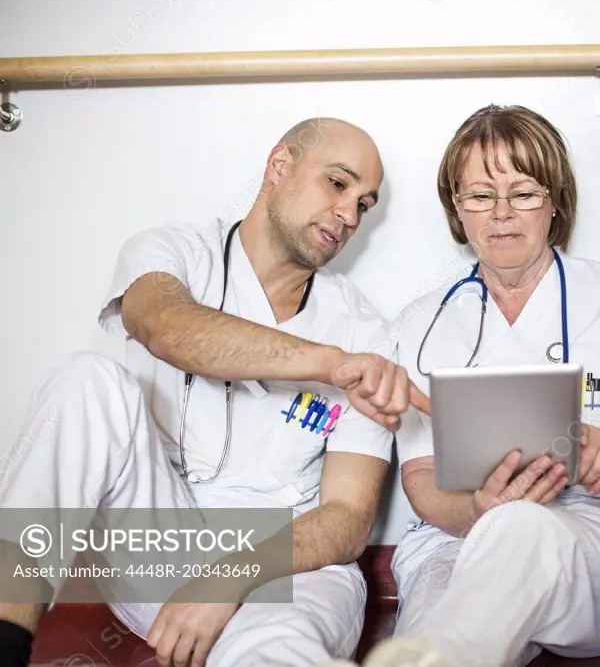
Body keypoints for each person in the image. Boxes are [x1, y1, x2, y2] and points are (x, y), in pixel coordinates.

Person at [0, 117, 429, 667]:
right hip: (162, 545)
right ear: (280, 165)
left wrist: (229, 577)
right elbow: (165, 326)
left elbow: (346, 518)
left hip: (288, 559)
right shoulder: (175, 250)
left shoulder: (364, 332)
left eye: (364, 204)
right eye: (338, 184)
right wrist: (331, 366)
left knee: (277, 651)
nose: (349, 216)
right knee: (87, 379)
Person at [345, 104, 600, 667]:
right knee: (454, 616)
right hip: (458, 539)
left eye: (523, 192)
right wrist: (480, 507)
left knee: (507, 549)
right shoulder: (421, 324)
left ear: (555, 200)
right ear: (457, 208)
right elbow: (422, 480)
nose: (501, 213)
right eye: (480, 196)